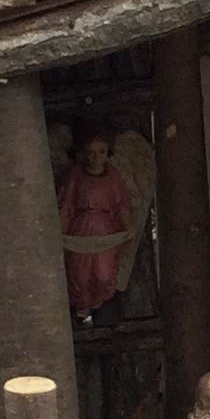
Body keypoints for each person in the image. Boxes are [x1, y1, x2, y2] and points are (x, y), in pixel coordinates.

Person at [57, 126, 133, 319]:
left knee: (103, 274)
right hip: (80, 230)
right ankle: (82, 306)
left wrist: (127, 226)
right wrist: (60, 232)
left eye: (101, 152)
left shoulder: (113, 176)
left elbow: (122, 205)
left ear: (108, 153)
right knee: (80, 275)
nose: (96, 158)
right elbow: (67, 205)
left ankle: (98, 302)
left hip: (105, 232)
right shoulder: (75, 175)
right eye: (90, 152)